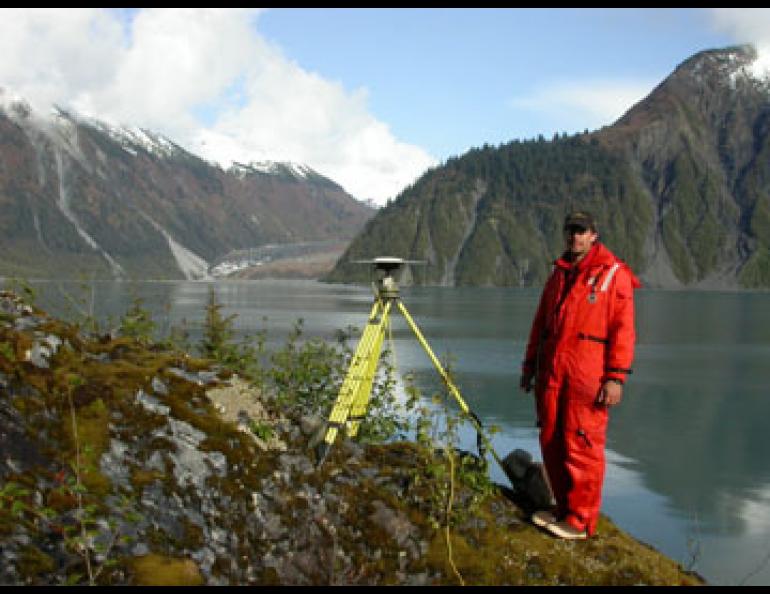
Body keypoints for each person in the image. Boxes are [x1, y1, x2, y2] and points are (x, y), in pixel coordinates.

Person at [519, 210, 641, 540]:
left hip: (587, 376)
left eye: (581, 230)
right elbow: (540, 324)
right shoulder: (559, 274)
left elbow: (623, 331)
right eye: (570, 230)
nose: (574, 236)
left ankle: (581, 520)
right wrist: (529, 367)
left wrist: (616, 376)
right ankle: (562, 507)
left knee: (582, 444)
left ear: (593, 234)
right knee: (551, 440)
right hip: (552, 374)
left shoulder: (613, 274)